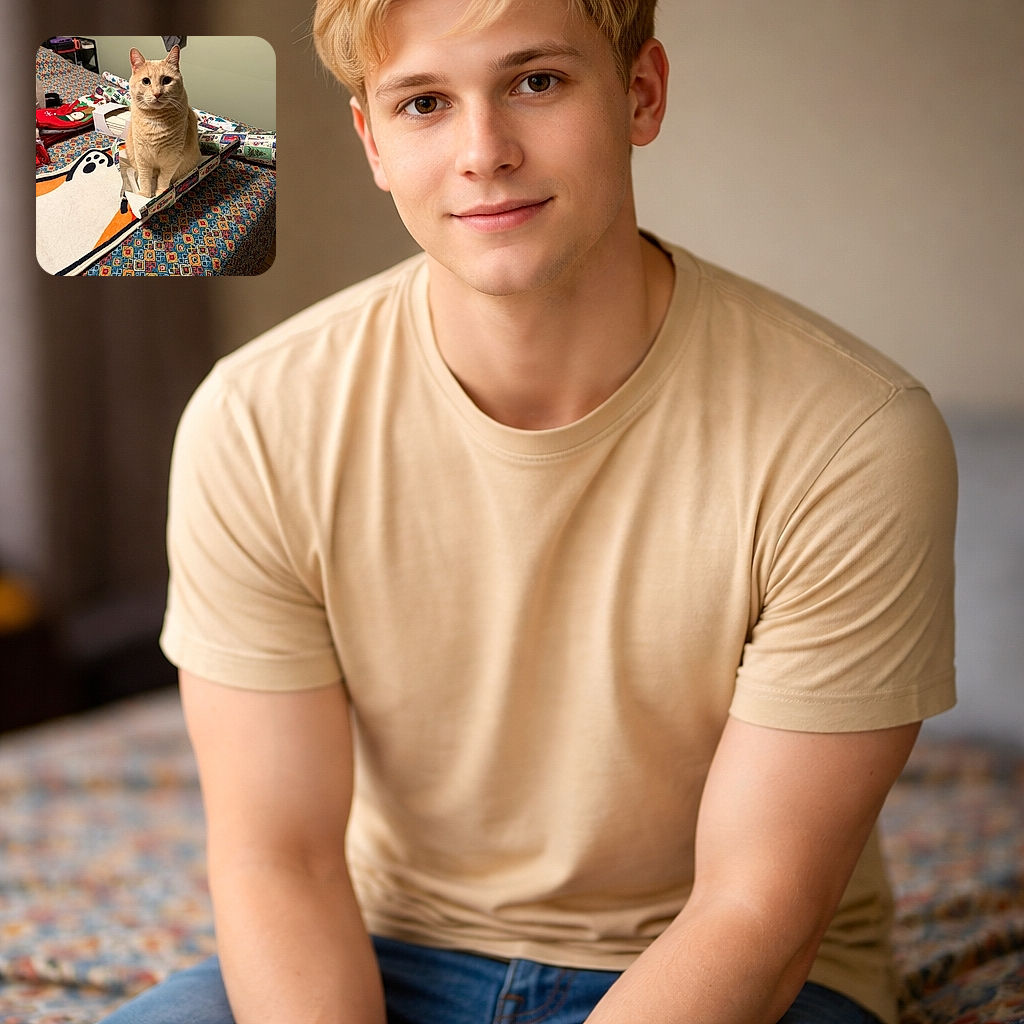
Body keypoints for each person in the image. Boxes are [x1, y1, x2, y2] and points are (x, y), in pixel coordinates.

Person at [102, 1, 957, 1021]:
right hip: (386, 950)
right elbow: (277, 858)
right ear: (373, 142)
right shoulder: (255, 421)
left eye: (536, 83)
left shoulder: (850, 436)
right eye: (423, 102)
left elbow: (754, 907)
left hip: (719, 973)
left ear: (639, 95)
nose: (484, 152)